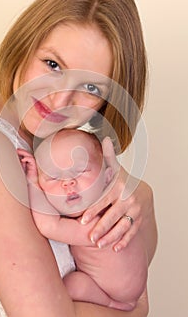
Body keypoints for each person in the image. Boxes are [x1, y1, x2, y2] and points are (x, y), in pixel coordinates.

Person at [0, 0, 157, 317]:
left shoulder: (72, 152)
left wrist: (143, 197)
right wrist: (135, 311)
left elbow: (129, 278)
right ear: (25, 43)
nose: (61, 99)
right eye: (52, 64)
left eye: (91, 88)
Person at [18, 128, 148, 311]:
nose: (67, 183)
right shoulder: (118, 208)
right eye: (53, 177)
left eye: (80, 171)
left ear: (108, 177)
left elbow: (49, 225)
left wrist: (32, 181)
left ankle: (113, 305)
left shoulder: (98, 224)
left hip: (114, 294)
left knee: (73, 284)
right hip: (135, 288)